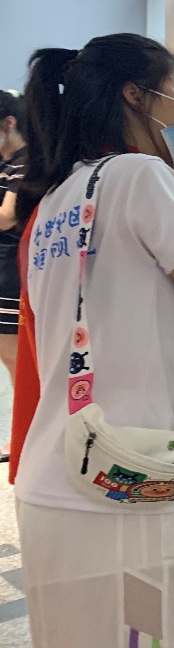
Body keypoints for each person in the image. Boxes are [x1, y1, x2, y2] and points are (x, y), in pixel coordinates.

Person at [15, 35, 174, 648]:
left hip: (54, 478)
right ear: (136, 95)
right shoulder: (141, 177)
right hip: (124, 489)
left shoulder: (57, 198)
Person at [0, 91, 27, 463]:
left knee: (16, 360)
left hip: (12, 273)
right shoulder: (7, 162)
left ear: (9, 123)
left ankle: (24, 437)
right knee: (10, 360)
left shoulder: (28, 162)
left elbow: (7, 216)